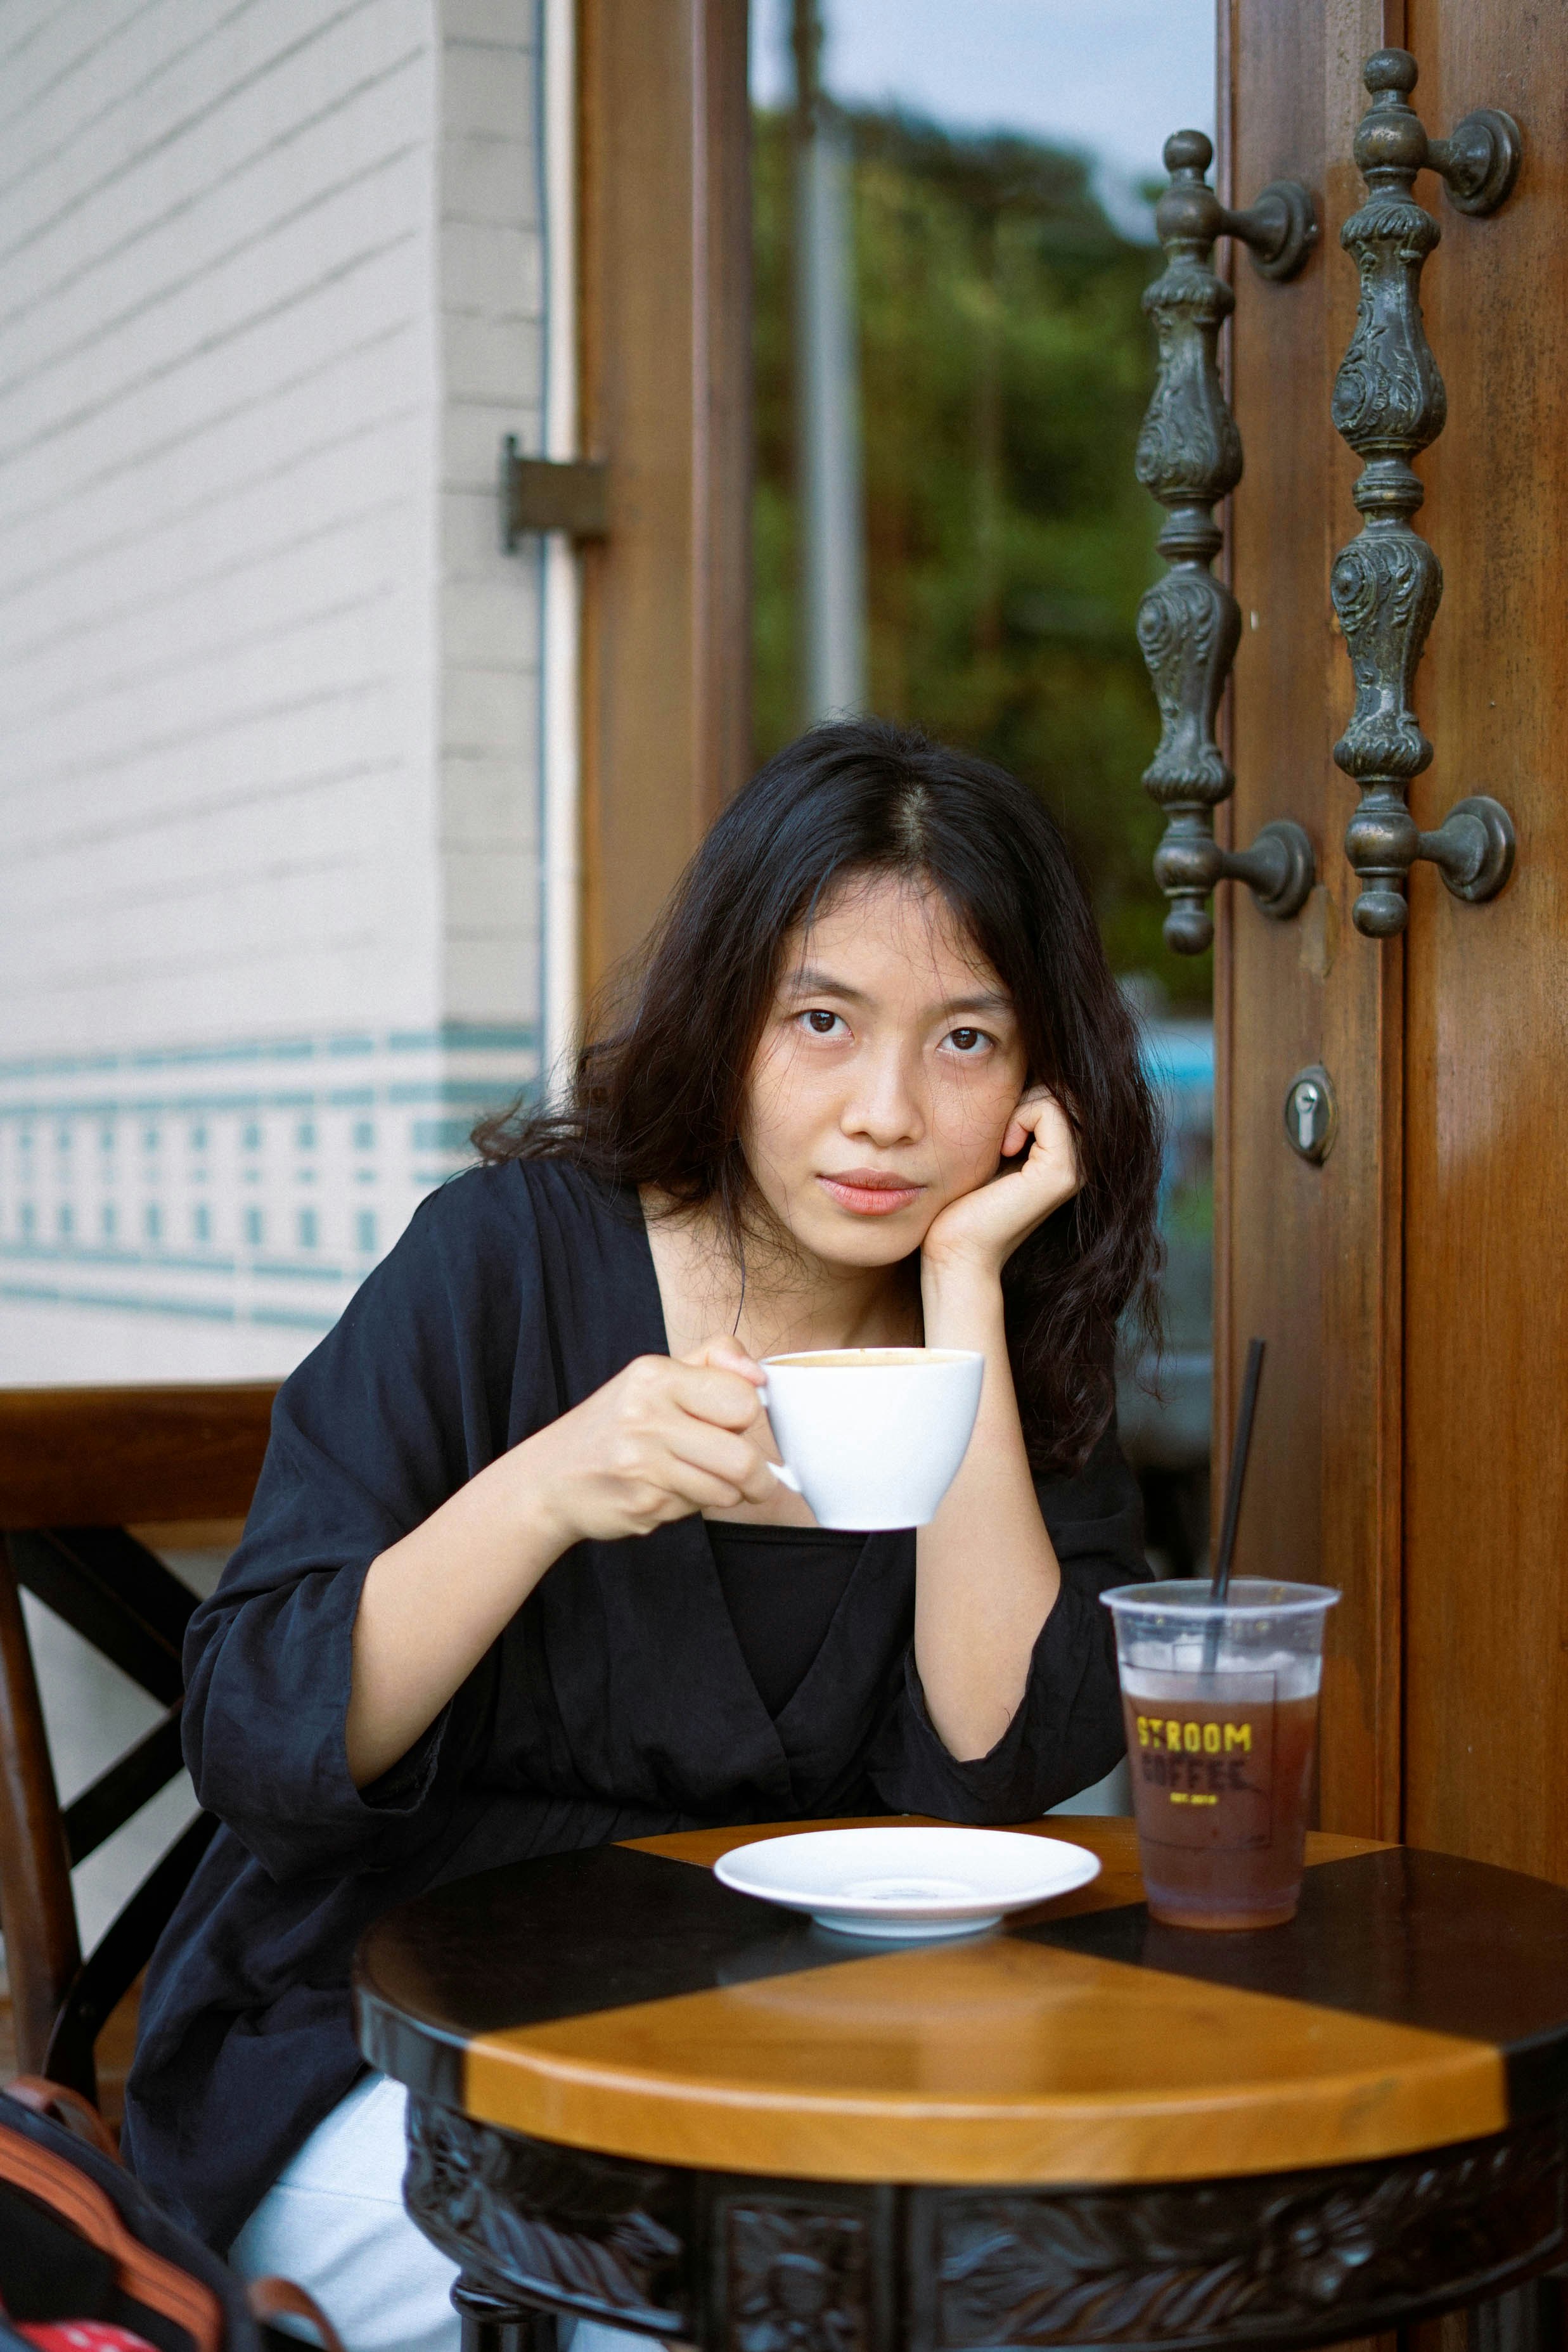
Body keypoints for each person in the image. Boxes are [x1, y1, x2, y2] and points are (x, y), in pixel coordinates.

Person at [122, 720, 1162, 2351]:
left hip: (791, 2062)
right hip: (389, 2044)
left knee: (1032, 2275)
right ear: (729, 1015)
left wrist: (961, 1293)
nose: (886, 1111)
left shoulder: (1016, 1329)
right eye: (823, 1021)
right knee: (762, 2298)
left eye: (964, 1040)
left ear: (1039, 1083)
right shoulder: (506, 1262)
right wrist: (545, 1485)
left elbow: (992, 1761)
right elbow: (259, 1737)